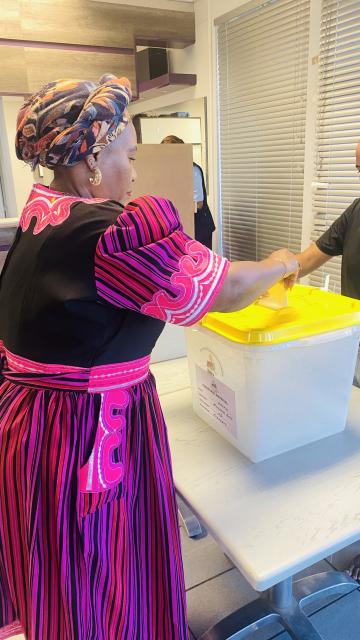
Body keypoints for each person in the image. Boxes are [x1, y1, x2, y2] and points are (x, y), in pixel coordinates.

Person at [0, 74, 299, 640]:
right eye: (128, 154)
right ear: (91, 153)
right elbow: (225, 293)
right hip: (83, 438)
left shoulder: (40, 219)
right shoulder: (108, 233)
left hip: (30, 427)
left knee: (59, 565)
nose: (134, 172)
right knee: (102, 569)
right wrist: (281, 263)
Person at [161, 134, 216, 249]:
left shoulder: (193, 169)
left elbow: (199, 204)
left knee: (200, 262)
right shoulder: (170, 170)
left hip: (199, 226)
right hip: (183, 225)